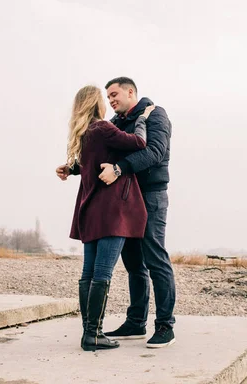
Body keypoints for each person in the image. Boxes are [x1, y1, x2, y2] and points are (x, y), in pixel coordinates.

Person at [59, 77, 176, 349]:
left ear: (130, 92)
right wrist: (74, 168)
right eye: (108, 96)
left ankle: (165, 326)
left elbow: (154, 152)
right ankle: (136, 322)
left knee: (155, 258)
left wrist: (120, 169)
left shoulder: (155, 114)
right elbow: (101, 150)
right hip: (126, 201)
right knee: (134, 264)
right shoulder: (115, 122)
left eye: (115, 95)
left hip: (150, 195)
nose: (111, 100)